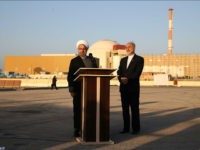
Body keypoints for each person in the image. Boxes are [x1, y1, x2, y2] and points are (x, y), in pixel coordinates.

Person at [67, 40, 98, 137]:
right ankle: (77, 128)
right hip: (78, 89)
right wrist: (71, 89)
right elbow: (70, 76)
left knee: (90, 109)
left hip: (90, 89)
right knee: (77, 109)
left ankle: (89, 127)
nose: (82, 50)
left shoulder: (92, 60)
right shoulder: (74, 61)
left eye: (84, 49)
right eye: (80, 49)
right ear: (77, 49)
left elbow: (97, 73)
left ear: (87, 49)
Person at [117, 41, 144, 135]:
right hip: (124, 88)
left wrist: (127, 79)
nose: (127, 48)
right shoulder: (123, 60)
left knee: (134, 109)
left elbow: (137, 73)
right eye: (126, 47)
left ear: (134, 48)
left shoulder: (139, 59)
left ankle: (136, 129)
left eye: (130, 47)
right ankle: (126, 128)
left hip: (133, 88)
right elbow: (119, 72)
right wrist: (121, 79)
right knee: (125, 109)